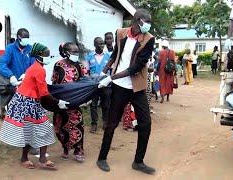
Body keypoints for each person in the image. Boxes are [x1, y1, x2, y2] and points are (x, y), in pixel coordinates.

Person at [96, 9, 156, 174]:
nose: (148, 26)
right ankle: (102, 157)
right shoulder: (120, 33)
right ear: (136, 21)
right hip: (120, 87)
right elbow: (115, 54)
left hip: (137, 87)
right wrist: (104, 71)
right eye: (146, 22)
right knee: (112, 122)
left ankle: (138, 161)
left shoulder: (149, 39)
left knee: (146, 123)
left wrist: (111, 77)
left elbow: (137, 67)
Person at [0, 42, 69, 170]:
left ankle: (40, 159)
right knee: (33, 131)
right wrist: (58, 102)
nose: (49, 57)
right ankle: (28, 158)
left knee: (38, 130)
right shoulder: (39, 70)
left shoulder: (35, 67)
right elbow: (44, 93)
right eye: (47, 55)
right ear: (39, 56)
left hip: (29, 102)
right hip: (27, 104)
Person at [52, 42, 88, 163]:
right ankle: (65, 148)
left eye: (77, 52)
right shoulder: (58, 65)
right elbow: (54, 83)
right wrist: (55, 100)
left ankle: (78, 150)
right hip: (61, 102)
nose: (76, 54)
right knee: (60, 127)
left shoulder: (80, 66)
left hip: (74, 102)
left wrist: (85, 98)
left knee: (77, 125)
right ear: (66, 52)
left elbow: (86, 82)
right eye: (73, 52)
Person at [0, 28, 34, 111]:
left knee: (27, 111)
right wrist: (10, 76)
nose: (26, 40)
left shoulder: (31, 49)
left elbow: (34, 64)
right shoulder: (10, 48)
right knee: (13, 112)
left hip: (27, 86)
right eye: (25, 38)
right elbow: (2, 65)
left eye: (28, 38)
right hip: (13, 86)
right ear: (18, 37)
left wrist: (27, 74)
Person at [85, 37, 111, 133]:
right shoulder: (89, 56)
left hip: (106, 85)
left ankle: (105, 122)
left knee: (106, 104)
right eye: (99, 44)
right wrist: (89, 81)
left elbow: (112, 71)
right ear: (94, 45)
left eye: (102, 43)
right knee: (93, 105)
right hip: (93, 86)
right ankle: (94, 124)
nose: (101, 45)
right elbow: (86, 71)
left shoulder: (108, 56)